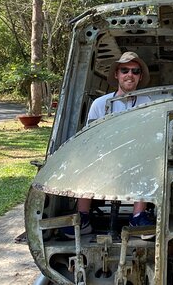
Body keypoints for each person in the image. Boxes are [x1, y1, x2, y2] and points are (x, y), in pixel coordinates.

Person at [66, 51, 155, 239]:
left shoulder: (147, 103)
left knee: (150, 157)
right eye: (125, 70)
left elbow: (148, 136)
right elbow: (90, 138)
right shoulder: (100, 104)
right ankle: (84, 218)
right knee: (84, 158)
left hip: (134, 158)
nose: (129, 75)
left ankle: (138, 217)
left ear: (139, 77)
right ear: (117, 74)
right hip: (105, 159)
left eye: (135, 71)